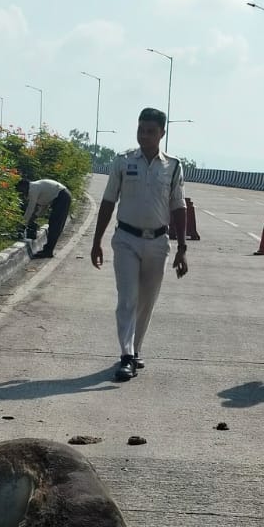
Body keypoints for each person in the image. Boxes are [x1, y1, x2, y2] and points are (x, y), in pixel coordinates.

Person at [90, 107, 189, 382]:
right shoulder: (122, 161)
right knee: (127, 298)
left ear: (162, 133)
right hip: (126, 240)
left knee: (146, 301)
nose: (144, 136)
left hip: (157, 242)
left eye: (150, 131)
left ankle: (135, 349)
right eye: (140, 130)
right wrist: (97, 241)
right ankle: (126, 355)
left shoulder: (173, 166)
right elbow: (108, 201)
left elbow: (178, 206)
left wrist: (182, 248)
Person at [17, 178, 71, 259]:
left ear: (24, 186)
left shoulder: (33, 189)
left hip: (62, 197)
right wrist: (35, 216)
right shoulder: (36, 187)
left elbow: (30, 208)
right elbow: (44, 206)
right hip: (62, 196)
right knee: (53, 224)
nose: (22, 193)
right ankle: (48, 250)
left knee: (55, 225)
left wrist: (23, 224)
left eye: (21, 190)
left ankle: (48, 251)